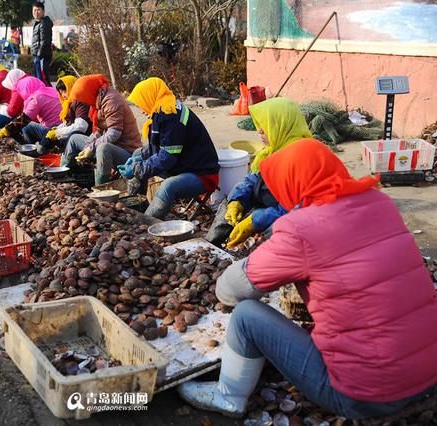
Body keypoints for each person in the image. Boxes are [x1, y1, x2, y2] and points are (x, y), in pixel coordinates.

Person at [177, 139, 437, 419]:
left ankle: (228, 397)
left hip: (366, 396)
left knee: (246, 314)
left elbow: (230, 291)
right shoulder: (380, 202)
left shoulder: (300, 228)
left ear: (290, 184)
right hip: (430, 374)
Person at [205, 97, 312, 248]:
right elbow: (251, 180)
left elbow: (294, 210)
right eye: (259, 125)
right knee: (228, 207)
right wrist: (237, 201)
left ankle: (260, 264)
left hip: (290, 216)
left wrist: (256, 220)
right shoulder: (270, 151)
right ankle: (210, 246)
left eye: (266, 125)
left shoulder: (304, 157)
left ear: (281, 124)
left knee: (277, 230)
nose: (260, 130)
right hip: (265, 205)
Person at [122, 77, 219, 219]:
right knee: (138, 154)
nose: (140, 109)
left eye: (140, 104)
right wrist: (137, 159)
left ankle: (146, 222)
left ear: (150, 97)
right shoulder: (162, 109)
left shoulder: (170, 115)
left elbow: (167, 158)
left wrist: (138, 168)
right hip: (182, 164)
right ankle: (136, 204)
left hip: (202, 174)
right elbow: (156, 147)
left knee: (168, 187)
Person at [62, 74, 141, 185]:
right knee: (74, 139)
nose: (84, 102)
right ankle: (62, 177)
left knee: (102, 148)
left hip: (127, 151)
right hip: (112, 144)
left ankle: (100, 189)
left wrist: (92, 147)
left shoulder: (111, 100)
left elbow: (114, 133)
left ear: (88, 93)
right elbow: (98, 131)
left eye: (83, 97)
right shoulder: (97, 100)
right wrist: (88, 147)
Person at [0, 75, 61, 143]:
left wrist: (6, 130)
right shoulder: (51, 90)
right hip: (62, 128)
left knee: (27, 126)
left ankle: (29, 147)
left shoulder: (36, 98)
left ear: (25, 89)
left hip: (53, 133)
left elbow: (24, 120)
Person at [38, 75, 92, 154]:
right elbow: (68, 123)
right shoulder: (69, 103)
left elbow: (81, 127)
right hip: (74, 130)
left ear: (73, 87)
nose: (63, 95)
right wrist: (57, 129)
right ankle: (42, 150)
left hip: (84, 136)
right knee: (51, 129)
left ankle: (67, 160)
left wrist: (58, 133)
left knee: (71, 136)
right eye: (61, 92)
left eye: (64, 91)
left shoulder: (81, 102)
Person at [31, 1, 53, 85]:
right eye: (34, 10)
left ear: (43, 11)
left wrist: (39, 56)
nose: (36, 12)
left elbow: (45, 41)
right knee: (38, 79)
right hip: (38, 55)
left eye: (38, 10)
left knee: (43, 80)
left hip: (42, 56)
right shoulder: (38, 23)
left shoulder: (44, 23)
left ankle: (50, 97)